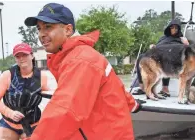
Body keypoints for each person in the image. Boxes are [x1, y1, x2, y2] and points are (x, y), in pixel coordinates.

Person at [23, 3, 142, 140]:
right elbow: (114, 86)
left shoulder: (80, 60)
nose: (41, 34)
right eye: (39, 28)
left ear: (68, 30)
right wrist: (132, 104)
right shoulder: (76, 56)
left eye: (48, 27)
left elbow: (65, 110)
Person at [0, 43, 50, 140]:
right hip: (9, 124)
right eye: (18, 56)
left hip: (33, 124)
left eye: (25, 55)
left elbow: (50, 96)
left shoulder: (42, 77)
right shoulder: (8, 75)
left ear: (32, 55)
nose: (21, 58)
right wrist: (9, 113)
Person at [134, 19, 189, 97]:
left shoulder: (181, 39)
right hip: (157, 55)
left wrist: (186, 43)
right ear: (169, 28)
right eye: (172, 27)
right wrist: (153, 46)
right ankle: (142, 87)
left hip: (172, 59)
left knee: (166, 59)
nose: (174, 29)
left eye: (176, 28)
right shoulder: (163, 38)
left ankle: (165, 89)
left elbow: (188, 50)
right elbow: (158, 47)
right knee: (141, 57)